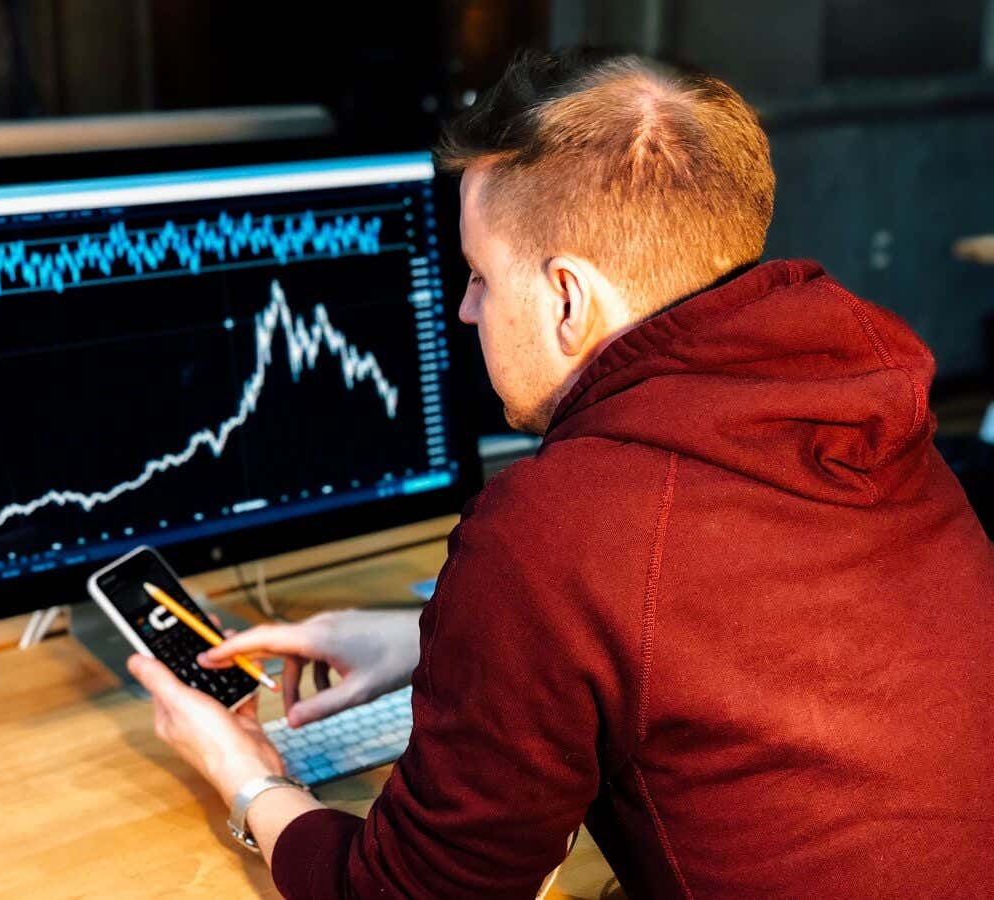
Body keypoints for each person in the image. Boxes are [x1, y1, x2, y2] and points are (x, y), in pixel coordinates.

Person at [127, 49, 994, 898]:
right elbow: (722, 632)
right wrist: (438, 640)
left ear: (568, 299)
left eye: (479, 276)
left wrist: (244, 775)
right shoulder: (867, 413)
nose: (466, 308)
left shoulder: (559, 526)